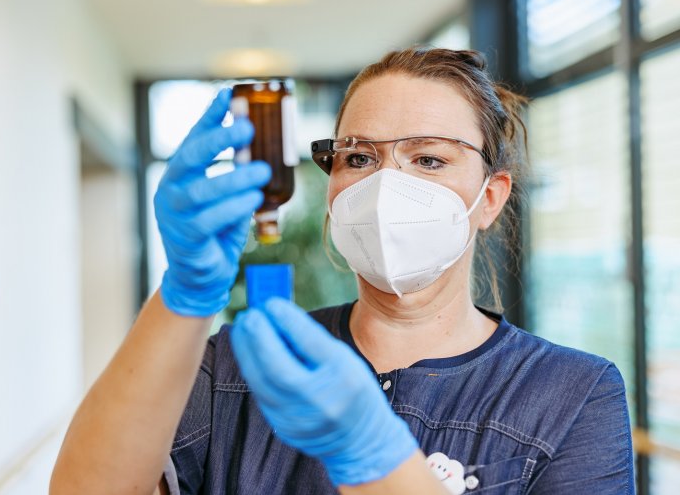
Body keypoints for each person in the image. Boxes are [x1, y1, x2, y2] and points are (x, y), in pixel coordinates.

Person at [50, 48, 635, 495]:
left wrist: (377, 457)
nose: (386, 187)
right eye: (359, 157)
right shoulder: (238, 366)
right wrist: (184, 296)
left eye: (428, 159)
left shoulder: (570, 394)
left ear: (490, 197)